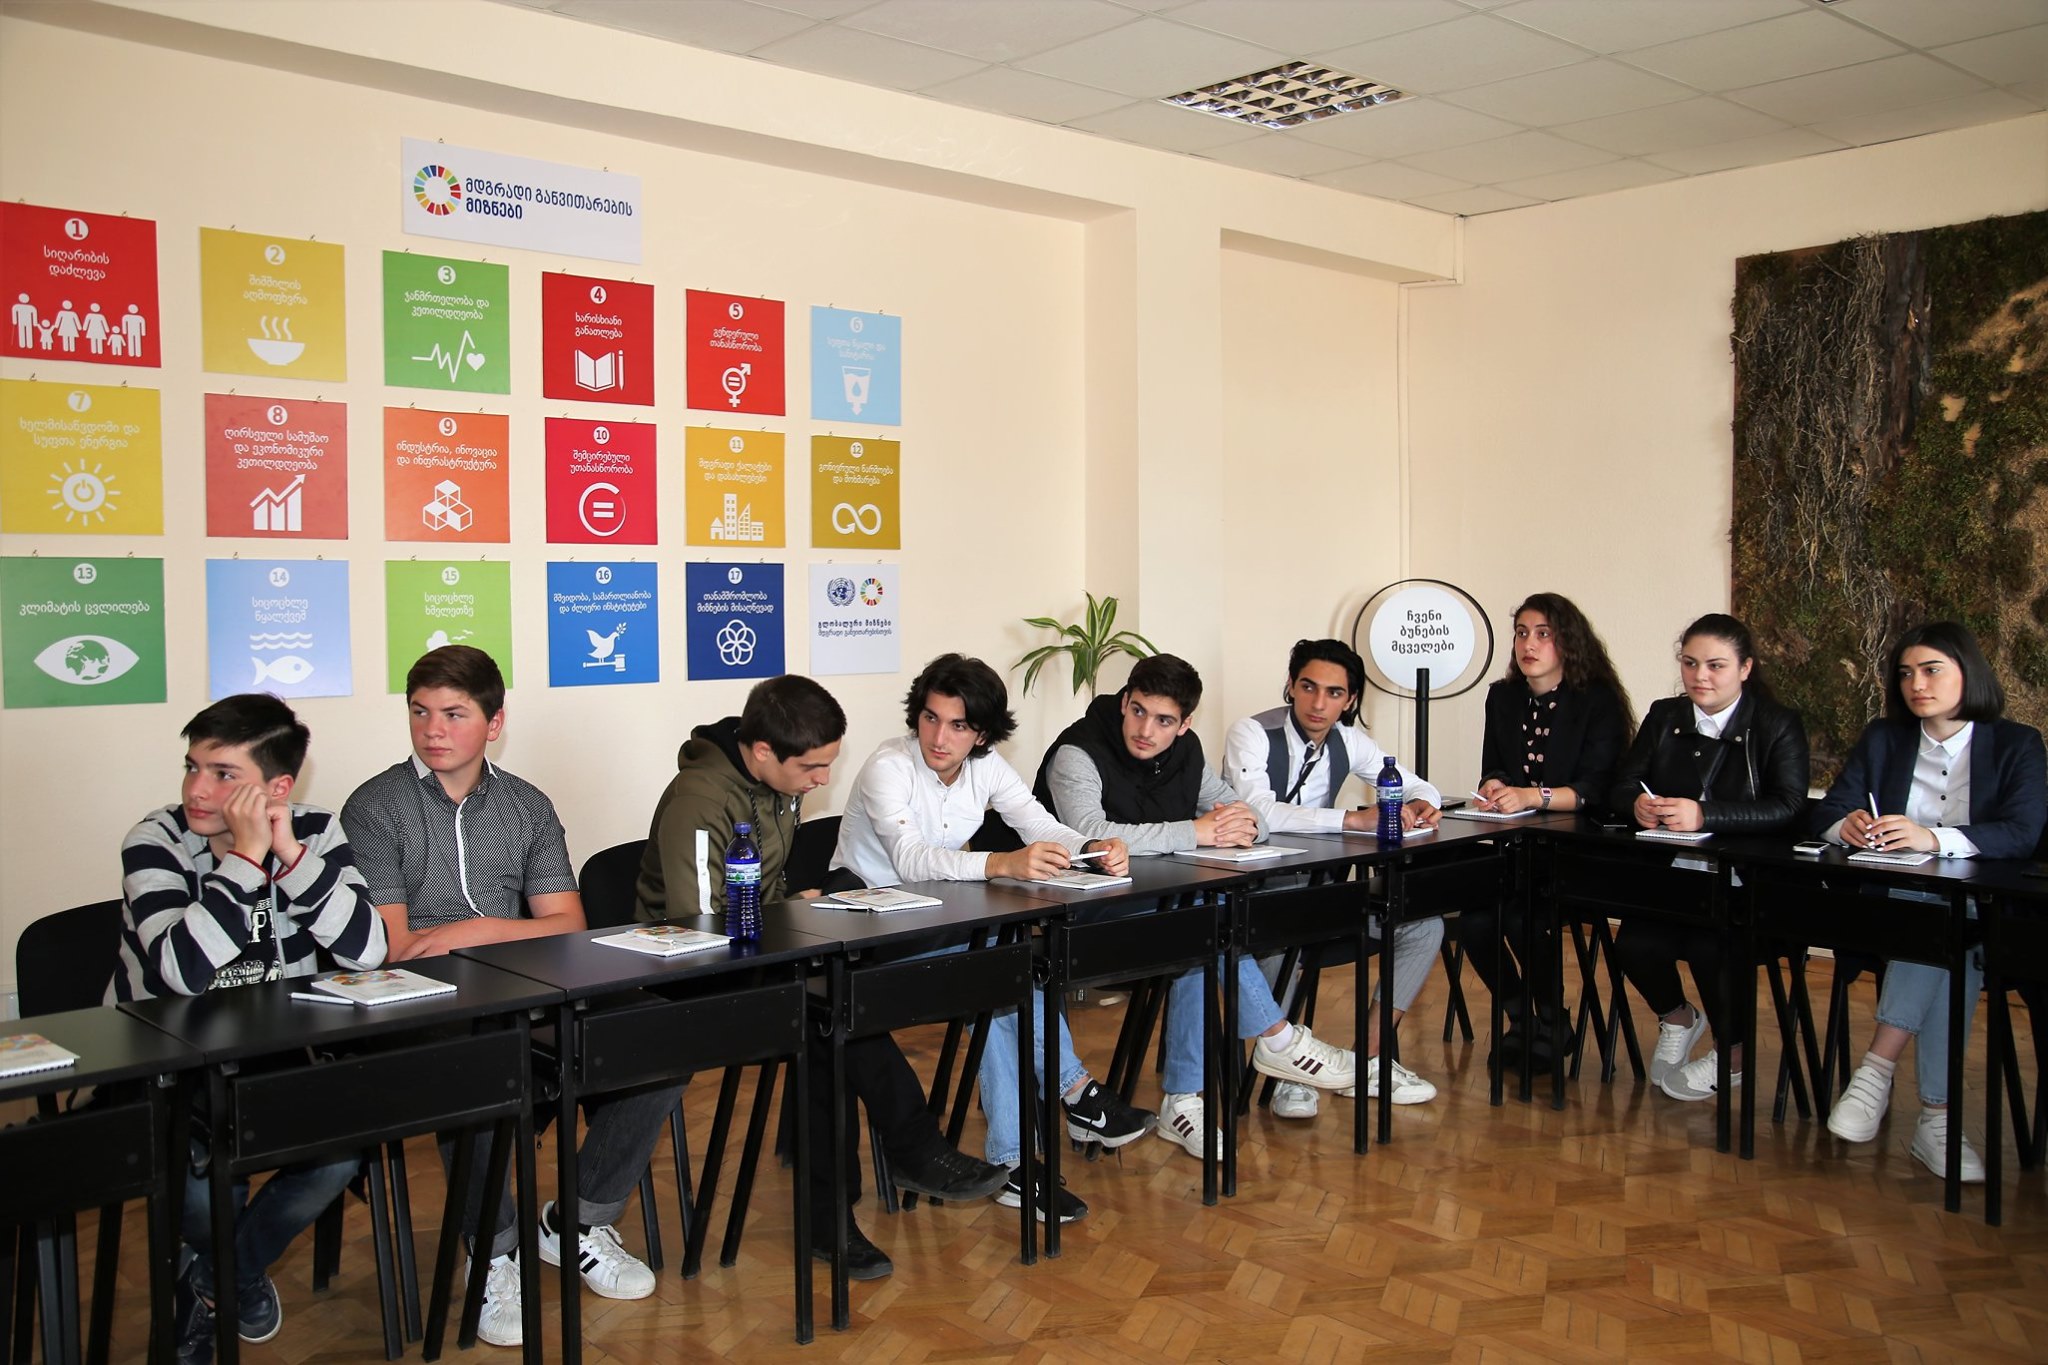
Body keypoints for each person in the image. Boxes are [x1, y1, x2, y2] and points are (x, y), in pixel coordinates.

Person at [341, 646, 672, 1347]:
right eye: (420, 712)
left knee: (658, 1035)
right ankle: (492, 1251)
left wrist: (468, 929)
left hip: (525, 986)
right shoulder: (375, 805)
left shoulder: (525, 804)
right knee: (479, 1064)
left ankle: (576, 1221)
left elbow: (569, 925)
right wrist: (504, 931)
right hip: (423, 1002)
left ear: (494, 723)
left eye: (454, 714)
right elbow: (395, 946)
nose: (433, 729)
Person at [633, 674, 1008, 1280]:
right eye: (813, 767)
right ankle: (904, 1156)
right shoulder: (701, 799)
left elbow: (762, 886)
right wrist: (786, 921)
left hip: (758, 951)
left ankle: (840, 1208)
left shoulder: (777, 782)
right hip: (683, 970)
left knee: (832, 1012)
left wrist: (794, 908)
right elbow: (700, 924)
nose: (823, 779)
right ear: (762, 752)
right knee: (828, 1014)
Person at [112, 693, 388, 1365]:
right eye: (192, 767)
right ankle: (230, 1273)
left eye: (223, 774)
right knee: (201, 1184)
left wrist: (287, 854)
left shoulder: (314, 832)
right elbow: (181, 969)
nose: (197, 789)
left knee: (338, 1156)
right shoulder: (156, 840)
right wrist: (243, 858)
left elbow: (369, 950)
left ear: (278, 787)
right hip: (166, 1064)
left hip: (272, 1055)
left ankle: (212, 1281)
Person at [830, 653, 1149, 1224]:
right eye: (930, 718)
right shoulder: (888, 766)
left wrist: (1091, 848)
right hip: (867, 929)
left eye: (958, 725)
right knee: (997, 972)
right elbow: (911, 861)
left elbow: (1037, 822)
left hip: (942, 922)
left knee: (1002, 971)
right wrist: (1001, 862)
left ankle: (1021, 1160)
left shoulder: (987, 766)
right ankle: (1074, 1096)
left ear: (981, 734)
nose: (939, 737)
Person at [1039, 653, 1361, 1155]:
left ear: (1185, 724)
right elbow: (1091, 835)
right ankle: (1277, 1041)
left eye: (1164, 721)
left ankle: (1184, 1101)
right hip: (1075, 916)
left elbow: (1245, 810)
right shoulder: (1078, 752)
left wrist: (1245, 825)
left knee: (1199, 927)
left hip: (1160, 907)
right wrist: (1197, 831)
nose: (1146, 730)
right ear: (1124, 702)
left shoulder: (1186, 754)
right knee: (1197, 924)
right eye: (1138, 711)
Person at [1816, 621, 2046, 1181]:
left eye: (1931, 670)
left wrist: (1933, 838)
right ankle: (1937, 1120)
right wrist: (1845, 826)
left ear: (1969, 673)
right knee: (1946, 931)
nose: (1916, 684)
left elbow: (2022, 833)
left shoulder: (2016, 744)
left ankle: (1877, 1069)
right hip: (1891, 905)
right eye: (1906, 674)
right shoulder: (1884, 738)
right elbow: (1829, 809)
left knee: (1952, 925)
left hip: (1983, 909)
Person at [1224, 638, 1444, 1117]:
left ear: (1350, 700)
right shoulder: (1252, 732)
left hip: (1319, 889)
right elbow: (1258, 810)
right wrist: (1351, 820)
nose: (1318, 703)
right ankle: (1287, 1070)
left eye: (1334, 693)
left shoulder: (1349, 740)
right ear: (1291, 685)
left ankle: (1366, 1061)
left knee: (1423, 926)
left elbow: (1415, 782)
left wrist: (1423, 802)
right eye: (1308, 687)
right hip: (1254, 892)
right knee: (1287, 930)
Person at [1608, 614, 1810, 1102]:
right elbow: (1622, 785)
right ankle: (1679, 1017)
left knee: (1709, 944)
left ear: (1745, 669)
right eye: (1690, 663)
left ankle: (1733, 1054)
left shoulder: (1777, 723)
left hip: (1750, 882)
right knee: (1633, 943)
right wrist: (1636, 804)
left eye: (1716, 665)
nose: (1700, 676)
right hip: (1676, 875)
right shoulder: (1665, 716)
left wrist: (1706, 815)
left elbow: (1789, 806)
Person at [1451, 595, 1633, 1066]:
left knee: (1523, 918)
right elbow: (1495, 766)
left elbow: (1596, 790)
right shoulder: (1503, 696)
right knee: (1473, 922)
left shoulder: (1596, 700)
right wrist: (1494, 786)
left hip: (1579, 850)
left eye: (1543, 634)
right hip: (1517, 845)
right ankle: (1520, 1017)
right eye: (1521, 633)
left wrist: (1533, 796)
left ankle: (1554, 1020)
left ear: (1568, 641)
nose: (1528, 644)